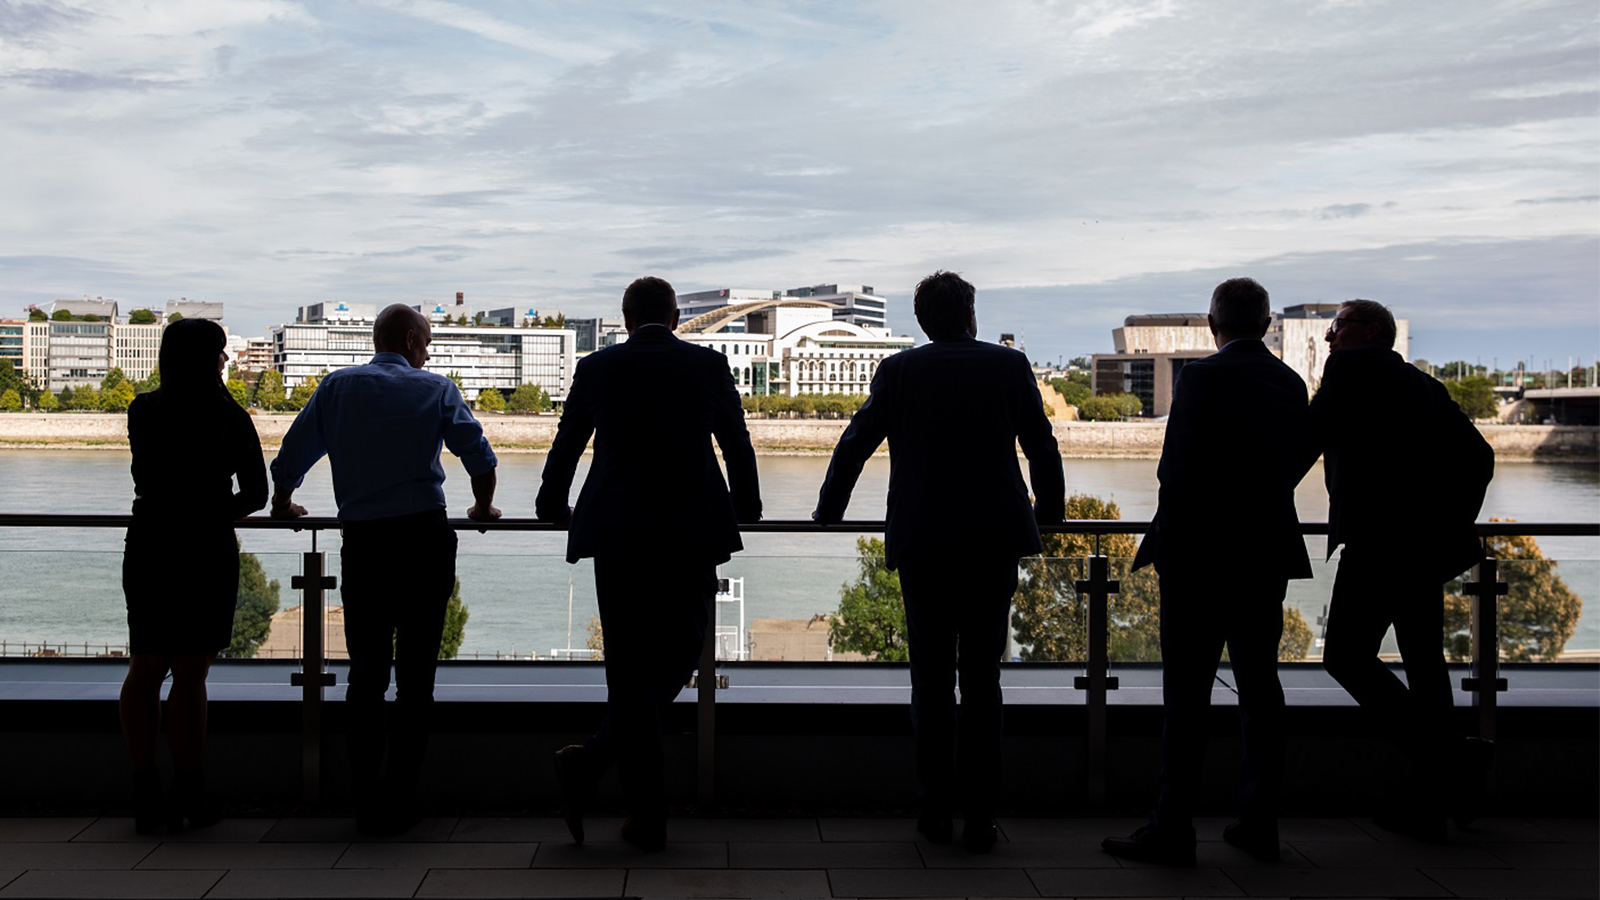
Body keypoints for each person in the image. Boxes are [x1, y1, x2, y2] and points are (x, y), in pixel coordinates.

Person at [813, 270, 1064, 853]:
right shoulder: (1008, 367)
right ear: (971, 315)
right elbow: (1041, 444)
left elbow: (856, 441)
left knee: (929, 683)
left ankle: (933, 811)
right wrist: (1048, 517)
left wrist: (829, 511)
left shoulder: (901, 370)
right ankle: (980, 817)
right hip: (993, 540)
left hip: (923, 541)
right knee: (983, 682)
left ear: (924, 322)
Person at [537, 276, 761, 852]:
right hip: (690, 532)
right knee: (684, 651)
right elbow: (736, 444)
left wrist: (549, 505)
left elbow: (568, 445)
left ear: (626, 316)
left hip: (616, 533)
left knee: (628, 669)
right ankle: (635, 805)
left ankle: (610, 780)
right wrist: (748, 507)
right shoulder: (707, 366)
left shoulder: (598, 368)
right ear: (678, 315)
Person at [1101, 278, 1311, 866]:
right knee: (1261, 690)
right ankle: (1259, 822)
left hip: (1199, 557)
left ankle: (1173, 828)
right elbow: (1293, 464)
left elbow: (1178, 469)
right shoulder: (1291, 383)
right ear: (1267, 323)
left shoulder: (1201, 377)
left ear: (1212, 325)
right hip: (1264, 553)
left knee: (1186, 697)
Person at [269, 304, 501, 837]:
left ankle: (365, 799)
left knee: (367, 675)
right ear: (407, 337)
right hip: (424, 538)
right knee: (417, 676)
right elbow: (480, 458)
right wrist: (483, 508)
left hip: (366, 544)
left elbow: (295, 451)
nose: (428, 351)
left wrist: (283, 503)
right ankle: (402, 796)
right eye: (426, 341)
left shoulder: (338, 388)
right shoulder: (437, 390)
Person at [1305, 298, 1494, 842]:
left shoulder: (1352, 368)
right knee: (1425, 663)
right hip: (1425, 548)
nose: (1329, 340)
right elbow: (1479, 456)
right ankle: (1433, 795)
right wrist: (1446, 522)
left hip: (1378, 545)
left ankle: (1450, 760)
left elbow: (1306, 438)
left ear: (1365, 333)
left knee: (1344, 656)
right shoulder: (1420, 383)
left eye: (1335, 329)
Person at [121, 318, 267, 834]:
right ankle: (189, 788)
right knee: (190, 673)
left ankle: (144, 791)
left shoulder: (143, 410)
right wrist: (212, 512)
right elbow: (256, 494)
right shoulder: (228, 416)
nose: (226, 361)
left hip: (150, 542)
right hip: (204, 548)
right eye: (221, 353)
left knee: (144, 666)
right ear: (209, 359)